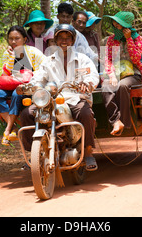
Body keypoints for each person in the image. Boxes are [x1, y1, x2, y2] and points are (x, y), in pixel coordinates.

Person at [18, 24, 100, 171]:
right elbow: (38, 78)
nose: (64, 41)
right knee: (26, 114)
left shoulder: (82, 59)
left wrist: (87, 84)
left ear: (73, 40)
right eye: (60, 38)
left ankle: (88, 152)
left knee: (86, 114)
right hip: (51, 99)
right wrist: (29, 87)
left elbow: (92, 76)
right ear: (55, 40)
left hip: (75, 97)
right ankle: (34, 154)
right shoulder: (48, 60)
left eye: (68, 37)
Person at [0, 26, 46, 146]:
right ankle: (14, 127)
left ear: (25, 39)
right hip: (12, 86)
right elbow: (6, 73)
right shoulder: (7, 53)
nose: (13, 42)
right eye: (10, 39)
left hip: (31, 88)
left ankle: (8, 129)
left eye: (17, 38)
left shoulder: (33, 52)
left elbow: (44, 68)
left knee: (17, 93)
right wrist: (12, 57)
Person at [102, 11, 142, 136]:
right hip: (116, 73)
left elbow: (136, 59)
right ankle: (116, 121)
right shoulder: (111, 40)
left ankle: (125, 122)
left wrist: (129, 39)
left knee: (123, 86)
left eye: (118, 23)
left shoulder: (137, 38)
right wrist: (111, 75)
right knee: (106, 86)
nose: (115, 25)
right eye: (115, 22)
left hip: (134, 74)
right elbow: (108, 59)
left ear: (126, 25)